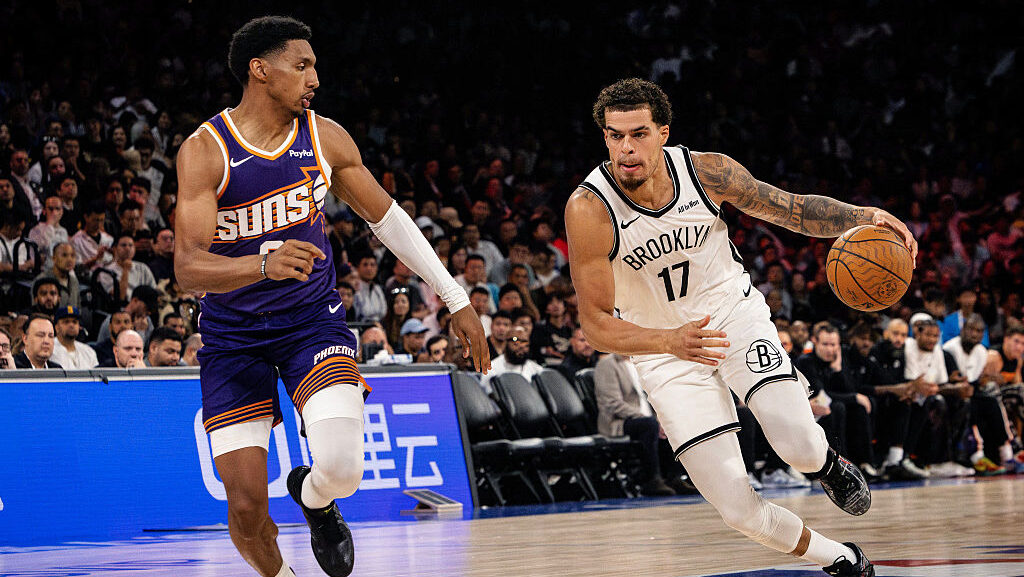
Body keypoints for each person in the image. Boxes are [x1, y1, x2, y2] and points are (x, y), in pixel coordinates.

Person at [173, 16, 488, 577]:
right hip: (233, 340)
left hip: (311, 327)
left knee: (341, 469)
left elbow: (389, 221)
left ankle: (314, 497)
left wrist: (454, 296)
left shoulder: (326, 138)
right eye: (303, 65)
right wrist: (261, 264)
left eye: (315, 64)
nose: (315, 76)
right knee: (246, 508)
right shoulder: (206, 150)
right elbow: (187, 268)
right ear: (260, 70)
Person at [565, 79, 919, 577]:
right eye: (614, 135)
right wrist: (668, 340)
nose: (626, 148)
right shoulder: (589, 208)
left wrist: (863, 216)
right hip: (663, 349)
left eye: (639, 133)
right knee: (737, 509)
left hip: (732, 315)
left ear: (663, 133)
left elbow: (791, 208)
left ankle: (828, 465)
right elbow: (597, 327)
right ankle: (841, 559)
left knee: (796, 442)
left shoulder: (707, 171)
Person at [595, 352, 676, 496]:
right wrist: (646, 417)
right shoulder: (607, 364)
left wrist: (660, 417)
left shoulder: (640, 362)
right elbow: (612, 403)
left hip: (646, 419)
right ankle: (652, 480)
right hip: (619, 422)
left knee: (669, 420)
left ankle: (673, 477)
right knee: (650, 425)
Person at [481, 325, 542, 394]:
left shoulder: (536, 369)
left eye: (525, 342)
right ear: (505, 342)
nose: (521, 346)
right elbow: (488, 395)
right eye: (515, 340)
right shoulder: (492, 367)